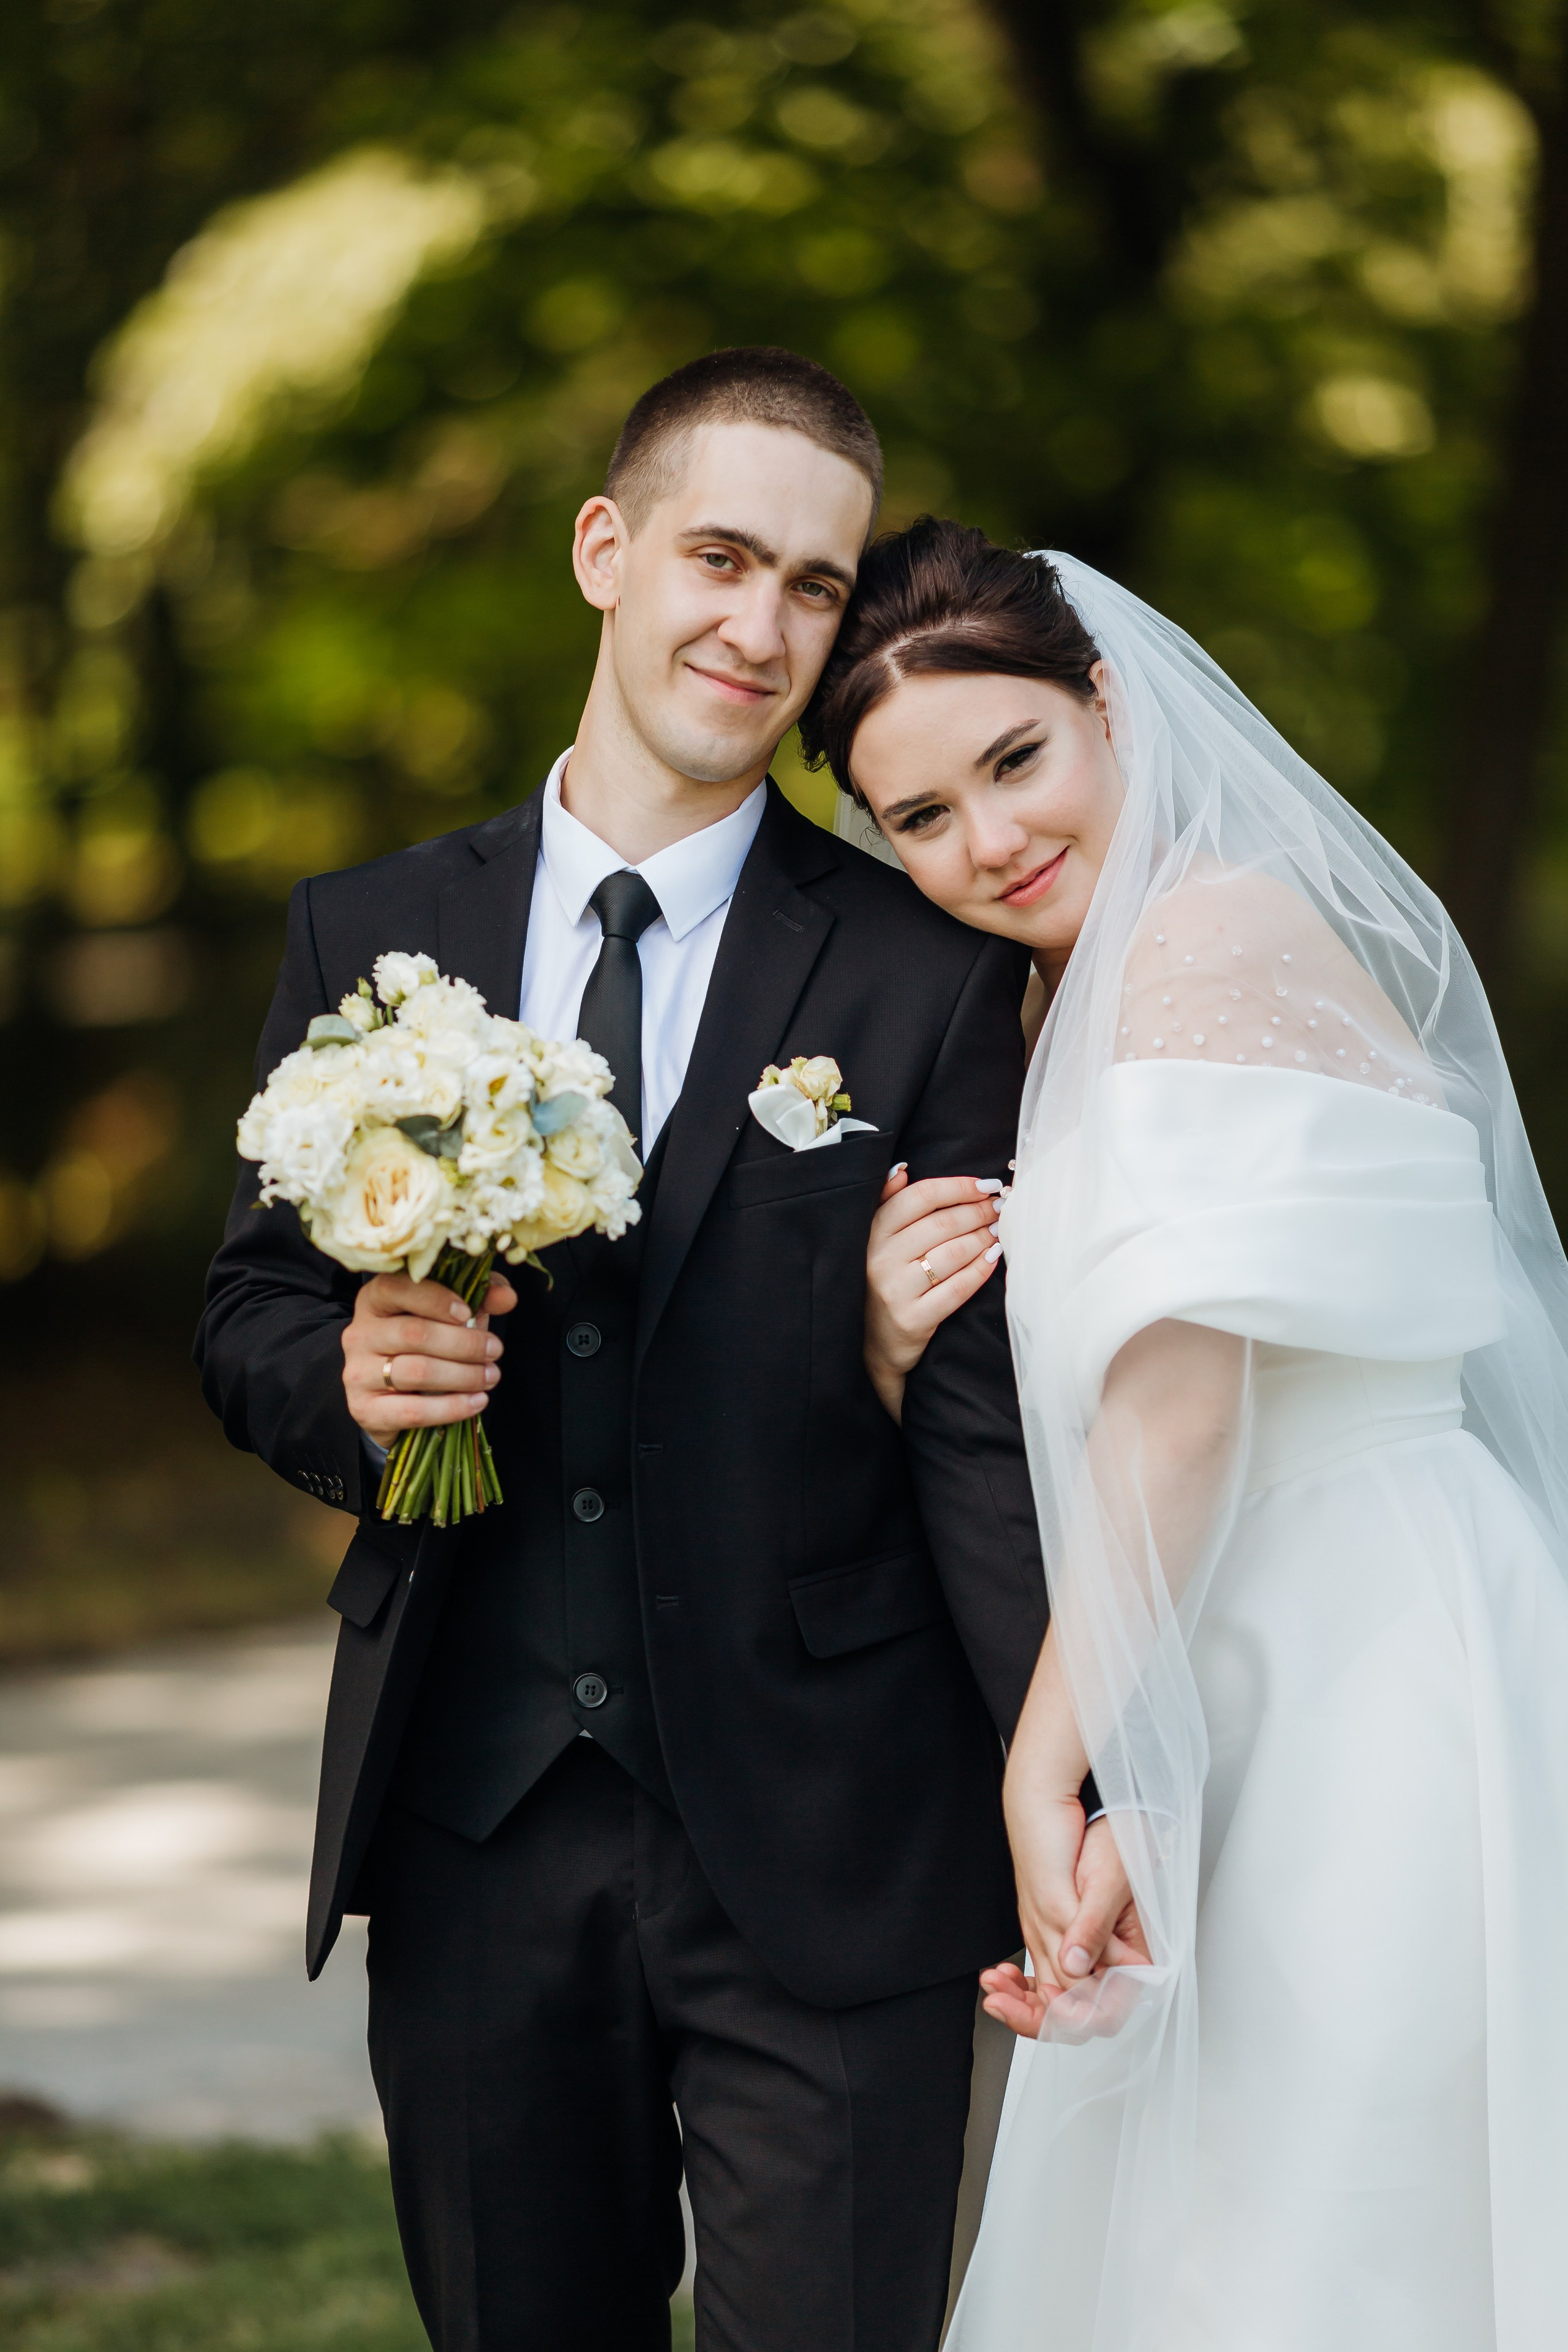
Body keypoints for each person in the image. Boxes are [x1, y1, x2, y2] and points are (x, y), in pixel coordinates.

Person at [194, 355, 1130, 2352]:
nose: (762, 626)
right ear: (605, 551)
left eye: (816, 584)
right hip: (471, 1825)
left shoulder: (928, 964)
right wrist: (344, 1382)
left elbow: (986, 1429)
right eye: (721, 557)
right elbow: (250, 1307)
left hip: (840, 1840)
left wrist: (1084, 1784)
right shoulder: (371, 930)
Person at [800, 518, 1568, 2350]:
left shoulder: (1206, 941)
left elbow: (1184, 1410)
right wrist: (896, 1342)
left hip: (1352, 1642)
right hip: (1223, 1626)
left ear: (1112, 705)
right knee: (1233, 2209)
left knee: (1339, 2206)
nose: (991, 839)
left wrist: (1048, 1770)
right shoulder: (1068, 992)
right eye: (923, 818)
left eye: (1017, 759)